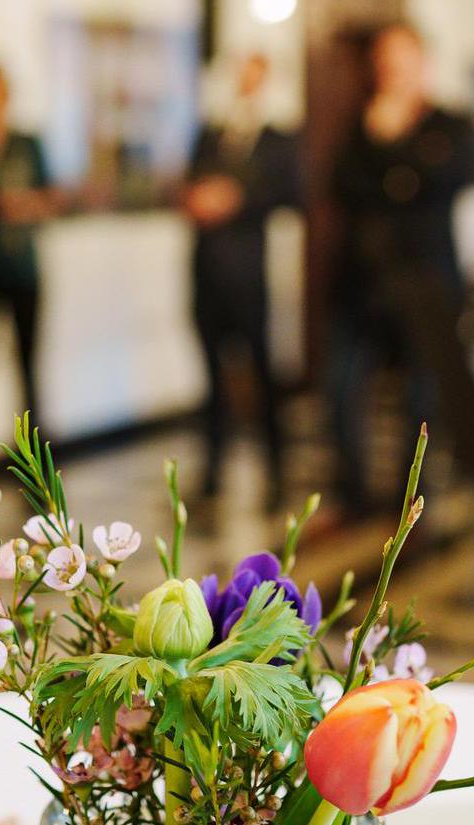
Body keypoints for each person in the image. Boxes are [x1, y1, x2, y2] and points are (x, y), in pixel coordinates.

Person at [330, 23, 474, 512]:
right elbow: (341, 186)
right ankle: (353, 495)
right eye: (384, 61)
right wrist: (388, 153)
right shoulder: (358, 125)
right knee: (340, 385)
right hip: (362, 283)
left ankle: (410, 501)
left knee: (420, 401)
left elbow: (443, 178)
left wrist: (392, 148)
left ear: (423, 63)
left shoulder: (450, 126)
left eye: (402, 59)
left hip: (426, 280)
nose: (392, 71)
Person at [183, 54, 300, 509]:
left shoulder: (277, 139)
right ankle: (212, 468)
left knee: (262, 372)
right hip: (207, 272)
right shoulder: (211, 133)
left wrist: (237, 199)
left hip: (249, 275)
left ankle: (275, 467)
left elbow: (290, 192)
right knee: (211, 375)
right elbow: (188, 183)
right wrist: (197, 198)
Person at [0, 62, 60, 418]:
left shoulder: (26, 143)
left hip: (19, 268)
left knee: (29, 368)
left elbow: (50, 199)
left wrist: (26, 206)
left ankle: (33, 460)